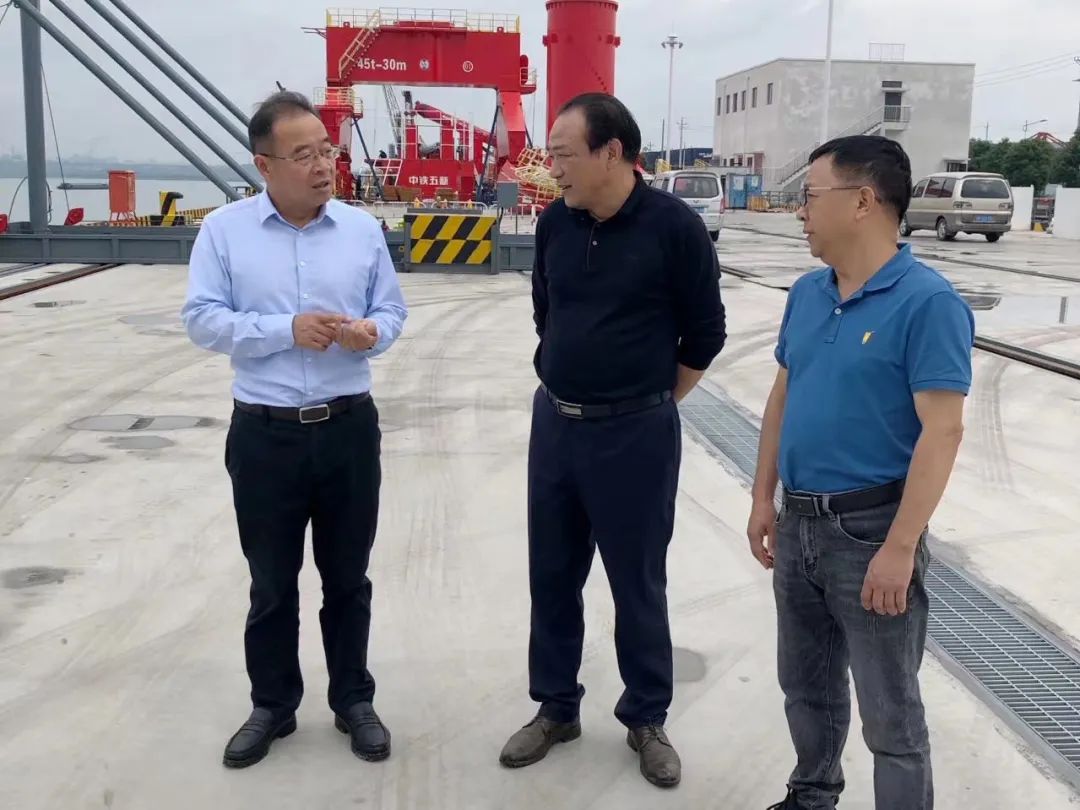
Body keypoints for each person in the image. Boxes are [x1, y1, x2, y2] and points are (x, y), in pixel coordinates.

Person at [499, 93, 726, 789]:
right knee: (552, 575)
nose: (553, 169)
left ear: (612, 153)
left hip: (636, 435)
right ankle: (555, 707)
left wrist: (647, 404)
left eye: (564, 155)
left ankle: (646, 717)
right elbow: (547, 312)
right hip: (555, 428)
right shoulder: (555, 224)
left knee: (637, 581)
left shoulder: (674, 228)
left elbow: (705, 334)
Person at [180, 90, 407, 769]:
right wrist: (285, 330)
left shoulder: (362, 231)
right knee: (272, 582)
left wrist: (371, 334)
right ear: (265, 165)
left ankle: (353, 700)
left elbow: (391, 312)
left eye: (326, 150)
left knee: (348, 578)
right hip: (265, 435)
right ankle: (273, 705)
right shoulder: (224, 232)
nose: (323, 165)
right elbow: (202, 319)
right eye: (303, 154)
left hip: (347, 430)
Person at [747, 135, 974, 810]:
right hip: (798, 522)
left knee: (890, 712)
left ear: (863, 202)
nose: (801, 211)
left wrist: (900, 547)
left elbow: (943, 430)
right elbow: (783, 397)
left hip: (872, 532)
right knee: (806, 687)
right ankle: (812, 794)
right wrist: (763, 498)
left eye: (811, 196)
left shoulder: (928, 303)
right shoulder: (808, 293)